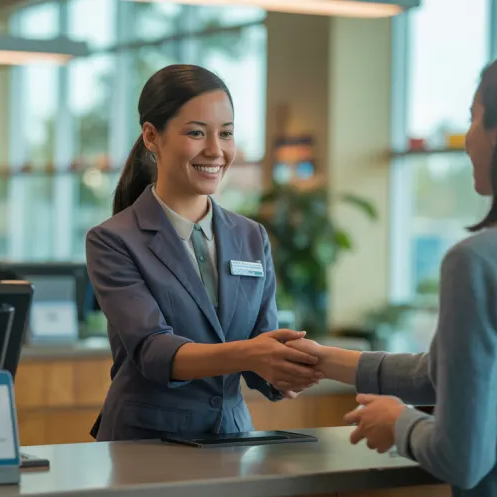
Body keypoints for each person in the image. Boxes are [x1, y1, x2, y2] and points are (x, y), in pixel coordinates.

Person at [287, 47, 497, 497]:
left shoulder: (479, 261)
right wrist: (325, 359)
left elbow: (463, 457)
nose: (467, 139)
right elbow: (442, 374)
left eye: (474, 118)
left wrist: (398, 422)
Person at [86, 64, 322, 441]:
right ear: (151, 136)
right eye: (196, 133)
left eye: (226, 134)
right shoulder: (114, 240)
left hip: (231, 440)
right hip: (145, 444)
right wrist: (253, 354)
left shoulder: (251, 236)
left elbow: (261, 341)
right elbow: (153, 351)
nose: (216, 151)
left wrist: (284, 371)